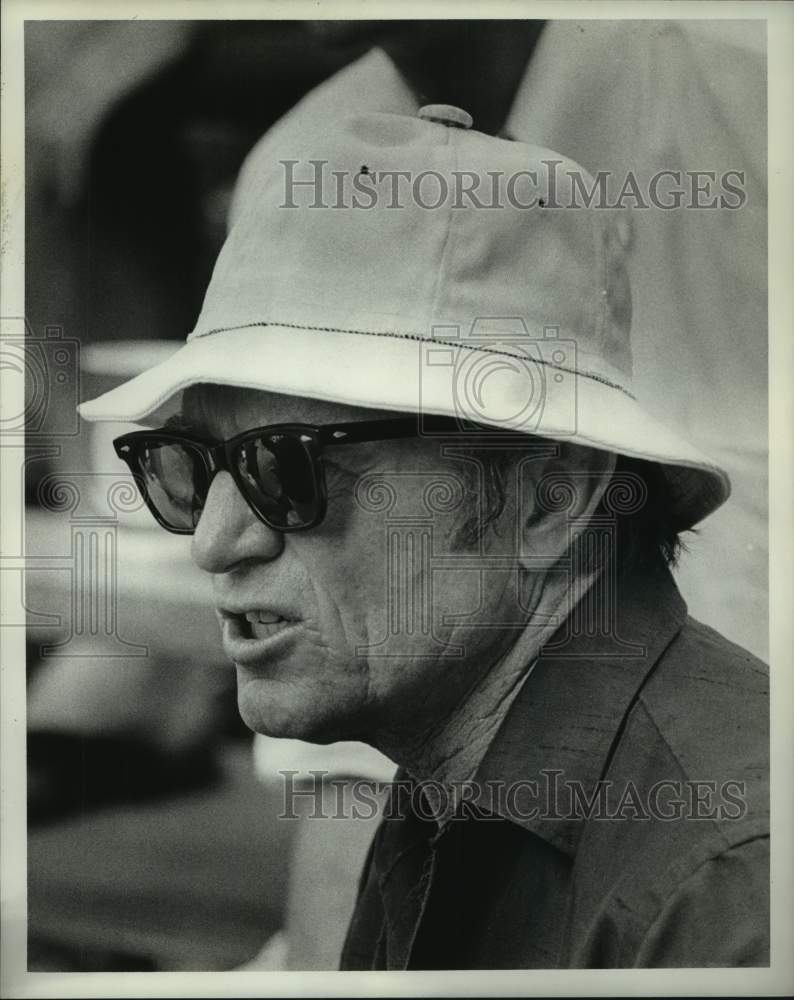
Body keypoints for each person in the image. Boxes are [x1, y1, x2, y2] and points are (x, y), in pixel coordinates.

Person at [79, 105, 768, 968]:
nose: (216, 542)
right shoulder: (449, 778)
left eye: (289, 467)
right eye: (189, 464)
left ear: (550, 499)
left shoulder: (729, 892)